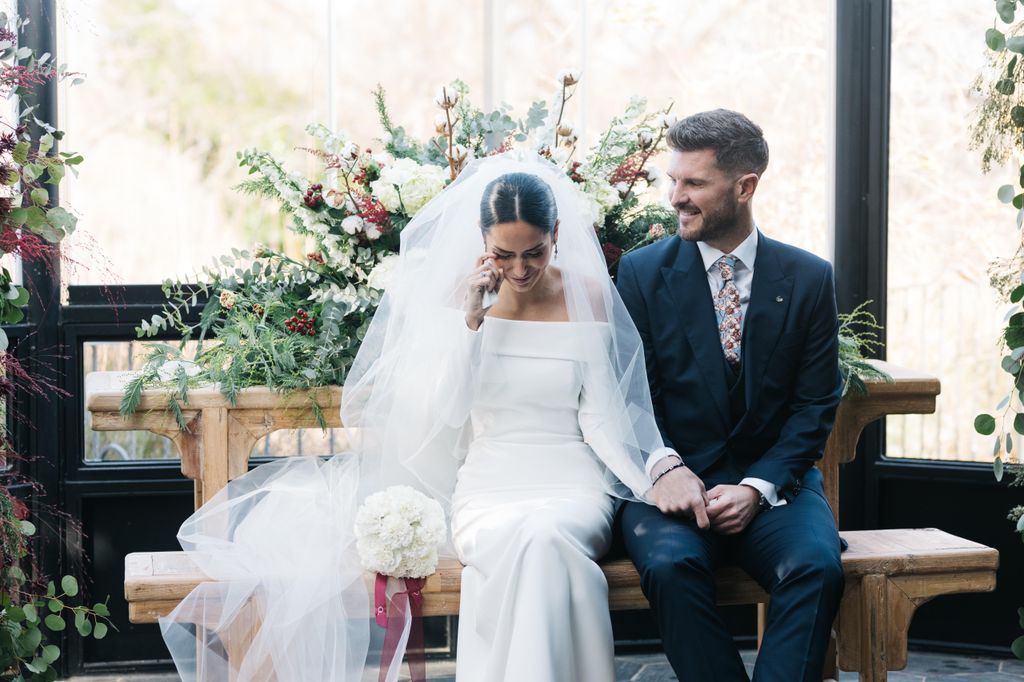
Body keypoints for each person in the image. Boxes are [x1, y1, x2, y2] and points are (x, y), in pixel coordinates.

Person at [159, 154, 667, 682]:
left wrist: (657, 477)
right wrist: (469, 324)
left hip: (571, 483)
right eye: (503, 254)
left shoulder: (586, 295)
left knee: (545, 536)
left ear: (557, 233)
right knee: (525, 541)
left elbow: (605, 419)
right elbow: (441, 410)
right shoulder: (458, 297)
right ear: (482, 238)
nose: (518, 270)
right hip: (490, 484)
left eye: (534, 253)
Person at [615, 109, 845, 682]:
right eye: (674, 180)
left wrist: (757, 486)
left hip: (774, 488)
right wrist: (665, 468)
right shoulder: (641, 275)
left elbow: (815, 403)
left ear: (745, 188)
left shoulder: (809, 278)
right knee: (670, 567)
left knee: (816, 567)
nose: (676, 197)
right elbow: (628, 395)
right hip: (672, 487)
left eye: (694, 183)